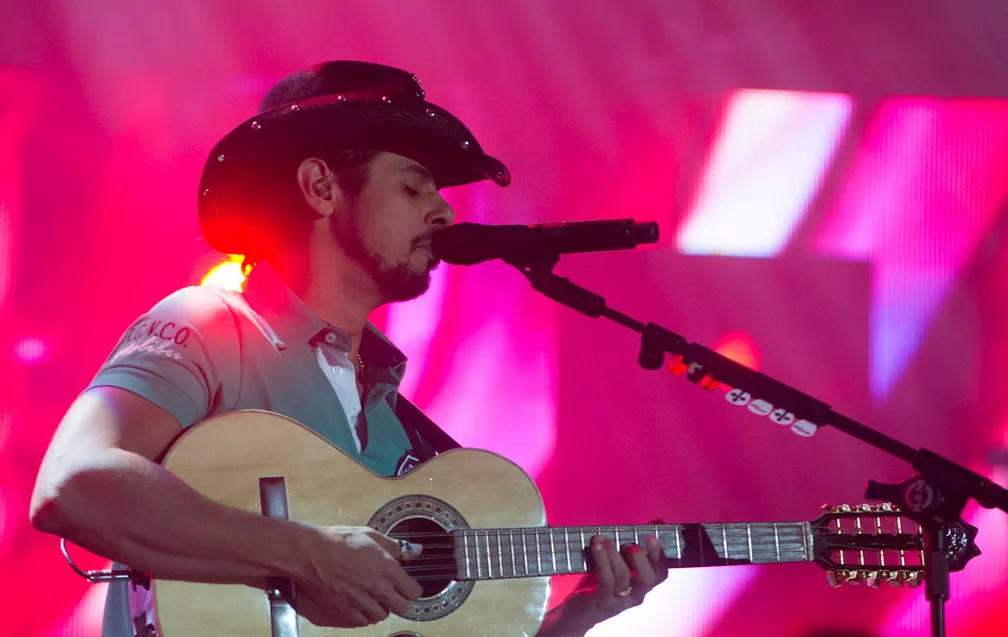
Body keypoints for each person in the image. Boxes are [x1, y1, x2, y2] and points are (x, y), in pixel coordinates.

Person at [29, 61, 668, 637]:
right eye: (416, 188)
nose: (444, 213)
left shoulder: (396, 424)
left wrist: (576, 616)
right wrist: (309, 553)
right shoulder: (210, 324)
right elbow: (73, 484)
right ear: (322, 187)